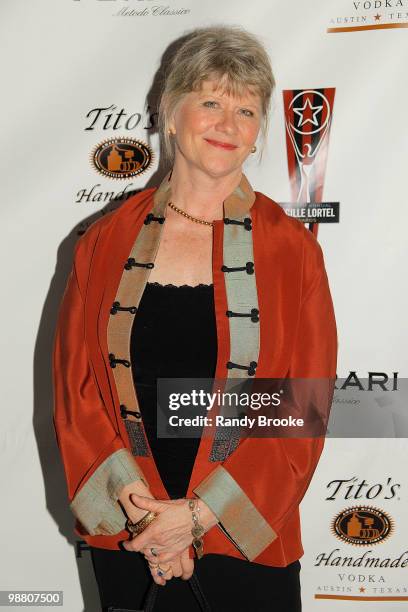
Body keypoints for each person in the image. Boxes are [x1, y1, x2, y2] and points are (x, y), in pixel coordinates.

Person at [52, 25, 337, 612]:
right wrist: (144, 516)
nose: (228, 124)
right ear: (171, 113)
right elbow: (76, 393)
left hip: (244, 539)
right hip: (133, 535)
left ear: (260, 133)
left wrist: (196, 519)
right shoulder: (102, 243)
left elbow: (303, 405)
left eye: (247, 110)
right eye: (210, 101)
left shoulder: (293, 251)